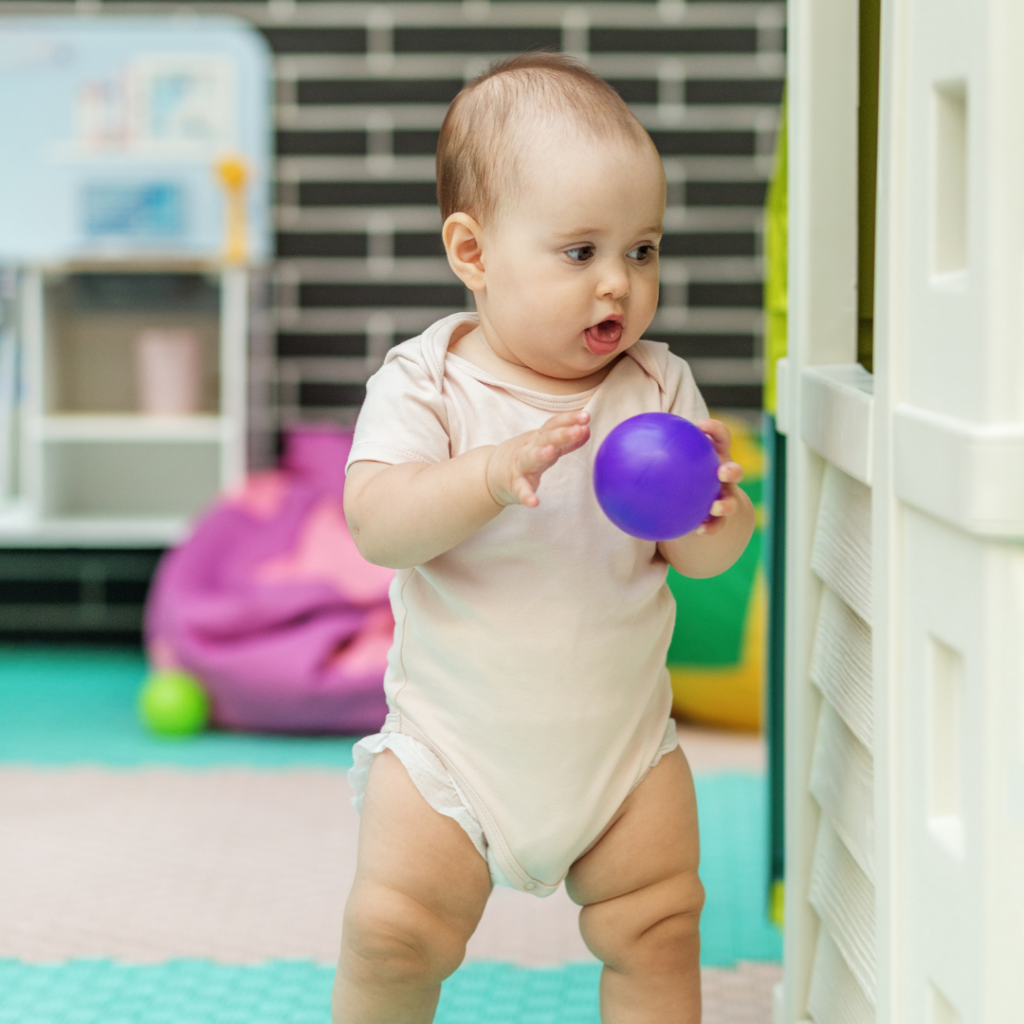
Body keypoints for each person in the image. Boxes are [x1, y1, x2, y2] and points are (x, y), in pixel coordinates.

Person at [334, 52, 755, 1024]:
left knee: (660, 925)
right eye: (579, 252)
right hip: (452, 751)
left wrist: (713, 516)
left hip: (620, 751)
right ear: (472, 252)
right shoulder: (428, 381)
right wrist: (488, 473)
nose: (618, 284)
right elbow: (377, 523)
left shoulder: (656, 387)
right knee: (394, 932)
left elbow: (702, 564)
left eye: (642, 250)